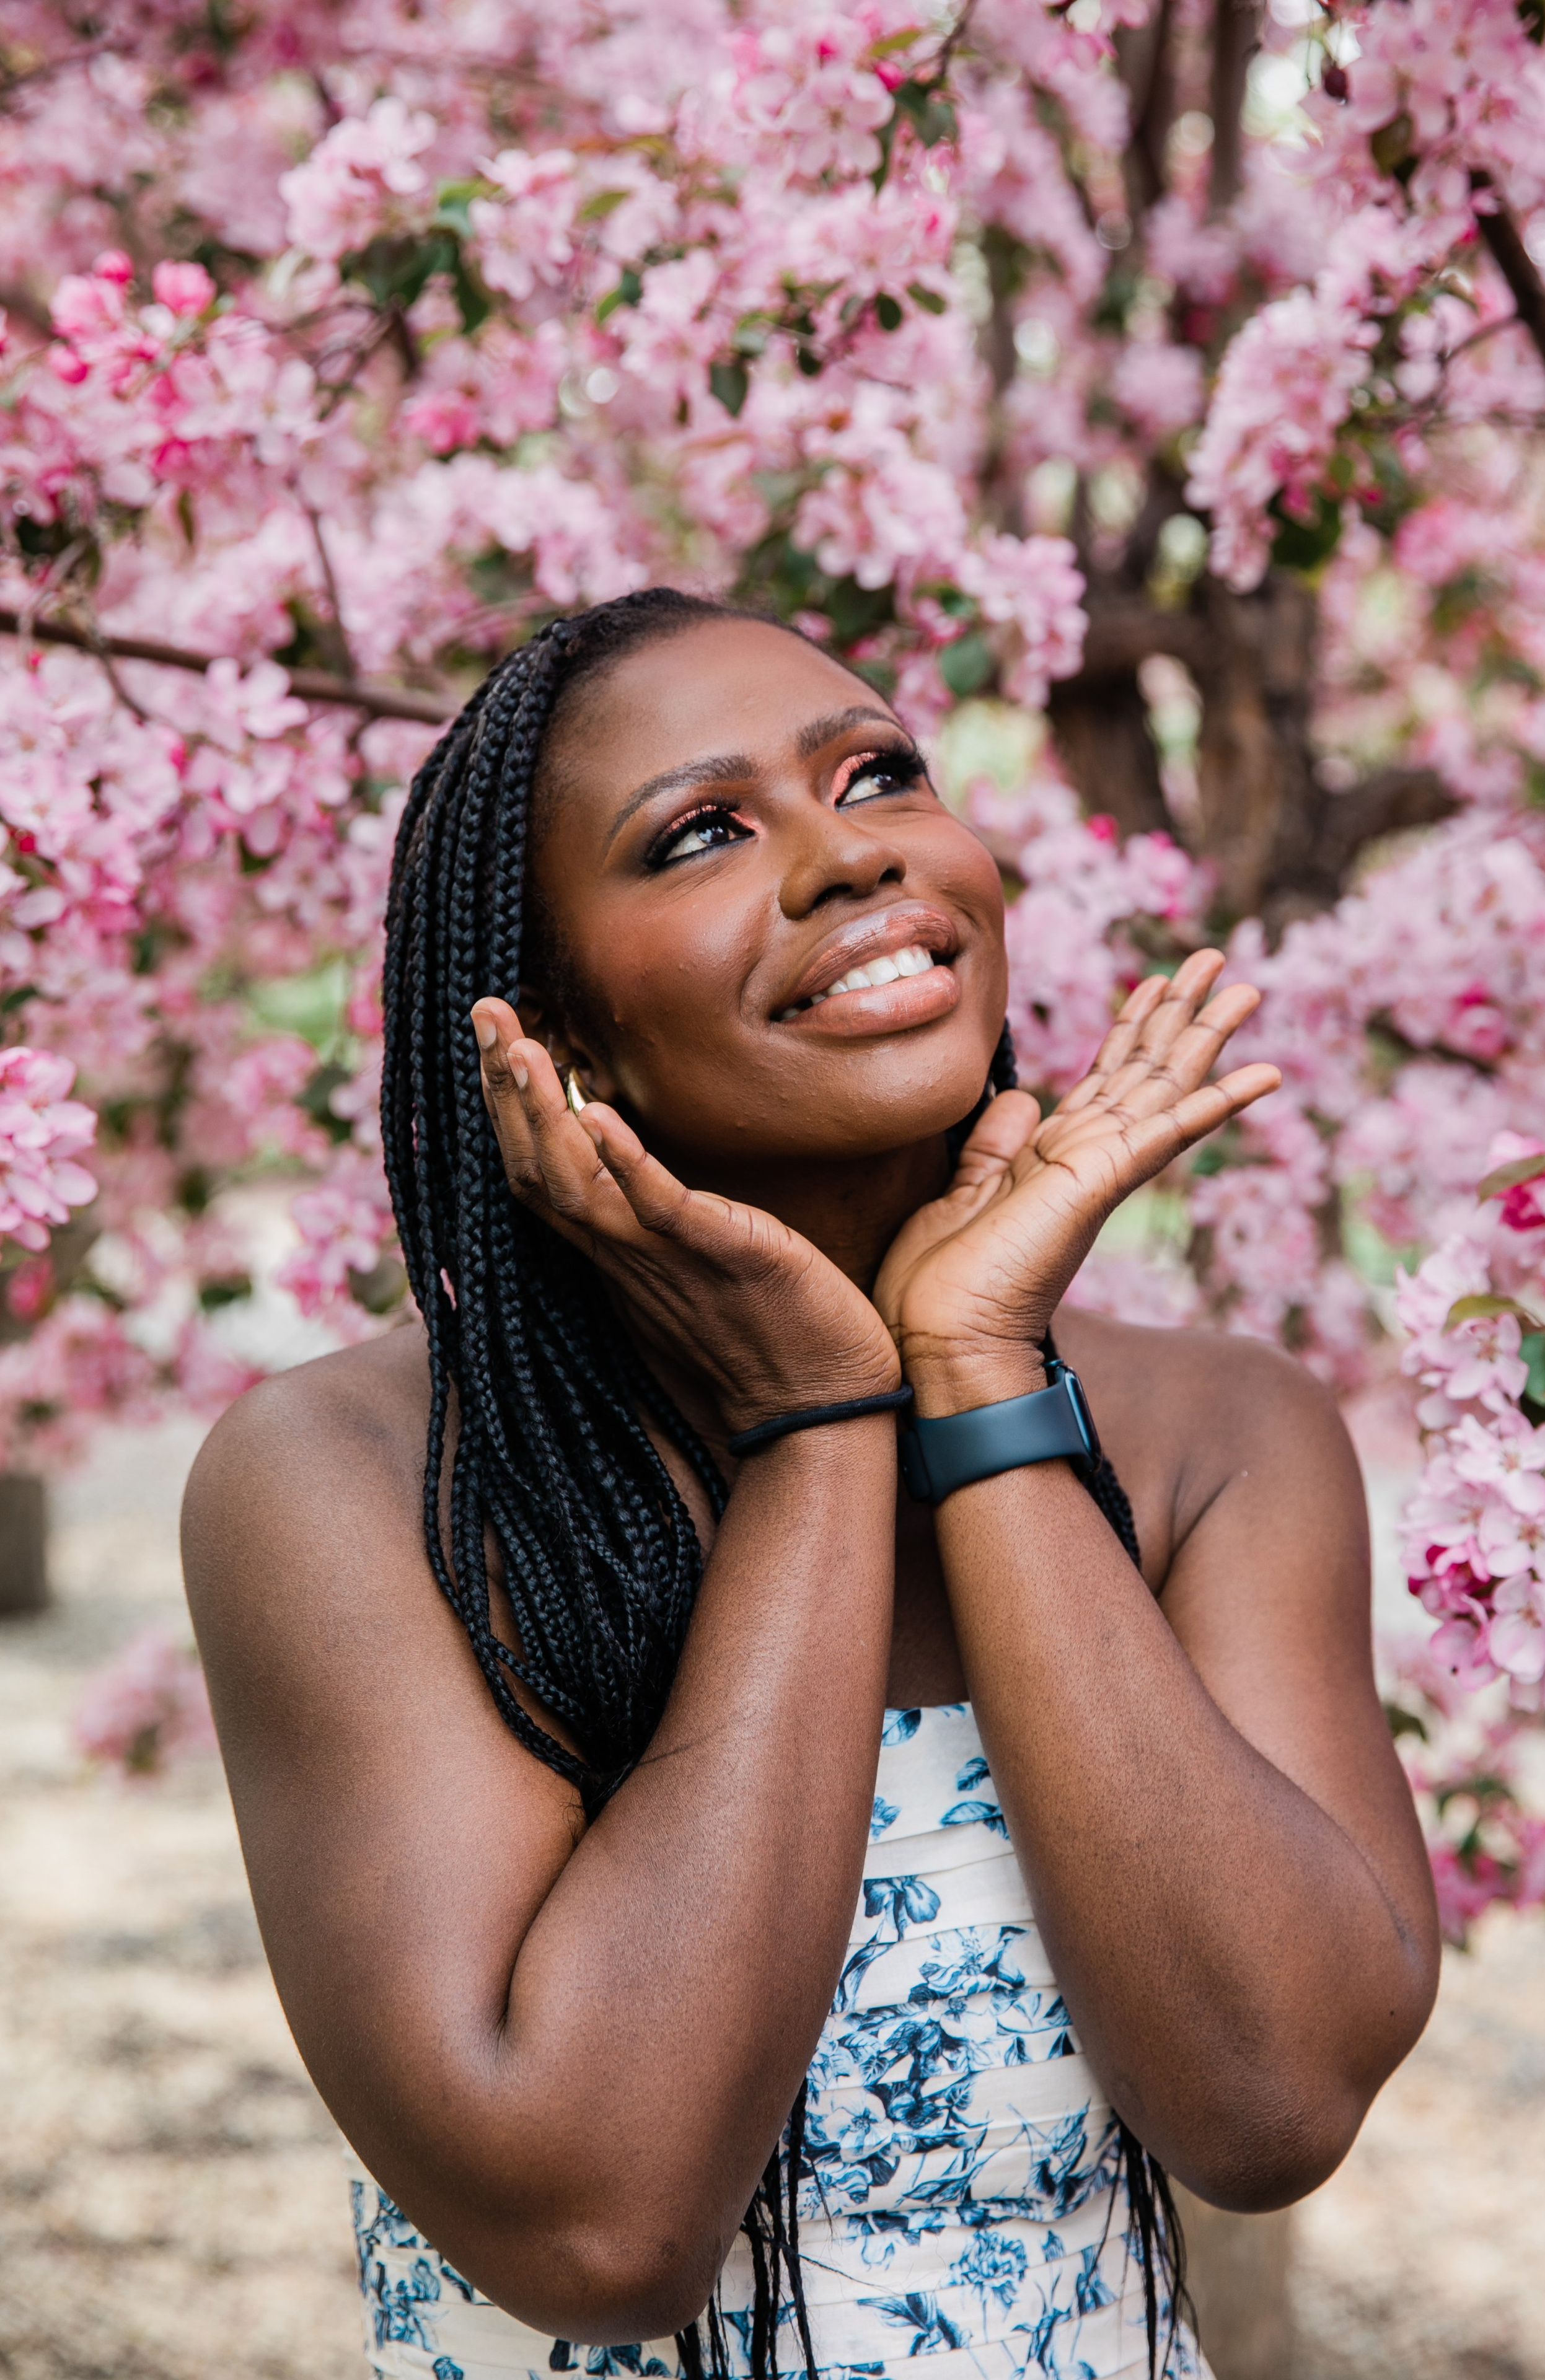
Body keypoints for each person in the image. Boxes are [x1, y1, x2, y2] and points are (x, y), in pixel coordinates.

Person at [182, 589, 1440, 2380]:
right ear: (557, 1034)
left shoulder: (1217, 1441)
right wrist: (821, 1429)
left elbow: (1271, 2103)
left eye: (881, 774)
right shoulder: (352, 1484)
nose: (851, 853)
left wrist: (980, 1380)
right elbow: (598, 2223)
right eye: (700, 831)